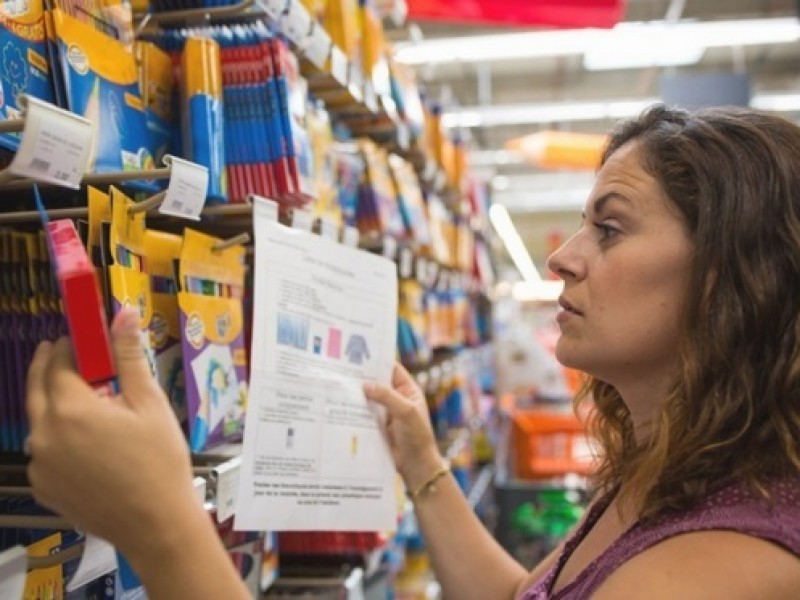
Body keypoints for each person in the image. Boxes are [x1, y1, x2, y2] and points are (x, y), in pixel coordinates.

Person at [25, 105, 800, 599]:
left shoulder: (722, 563)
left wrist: (160, 523)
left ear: (728, 276)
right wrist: (422, 462)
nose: (561, 258)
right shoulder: (670, 475)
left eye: (611, 227)